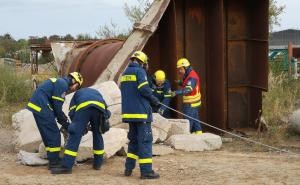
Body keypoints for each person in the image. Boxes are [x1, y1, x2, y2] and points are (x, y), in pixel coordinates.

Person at [26, 72, 83, 169]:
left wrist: (63, 120)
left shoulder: (60, 82)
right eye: (77, 87)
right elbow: (57, 108)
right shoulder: (63, 85)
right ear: (74, 81)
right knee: (54, 134)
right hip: (42, 106)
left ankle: (52, 157)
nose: (75, 90)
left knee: (47, 134)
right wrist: (66, 123)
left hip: (37, 106)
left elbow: (56, 107)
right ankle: (54, 162)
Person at [51, 87, 111, 174]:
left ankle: (67, 167)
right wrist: (102, 120)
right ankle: (97, 164)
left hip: (83, 108)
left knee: (75, 135)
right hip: (99, 108)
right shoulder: (97, 93)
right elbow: (107, 112)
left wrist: (78, 126)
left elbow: (72, 112)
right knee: (97, 135)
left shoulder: (77, 94)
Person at [121, 51, 160, 179]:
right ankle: (146, 171)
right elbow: (144, 89)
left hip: (129, 114)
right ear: (142, 62)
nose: (147, 65)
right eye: (146, 63)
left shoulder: (125, 73)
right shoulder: (140, 72)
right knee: (145, 141)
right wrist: (154, 100)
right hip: (141, 114)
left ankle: (128, 168)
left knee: (133, 142)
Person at [172, 58, 203, 134]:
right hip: (194, 102)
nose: (179, 71)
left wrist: (176, 92)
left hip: (191, 103)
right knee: (195, 120)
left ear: (185, 67)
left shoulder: (192, 77)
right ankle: (199, 134)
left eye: (180, 69)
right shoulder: (189, 74)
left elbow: (188, 89)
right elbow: (187, 83)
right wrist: (180, 83)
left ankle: (187, 136)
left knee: (188, 122)